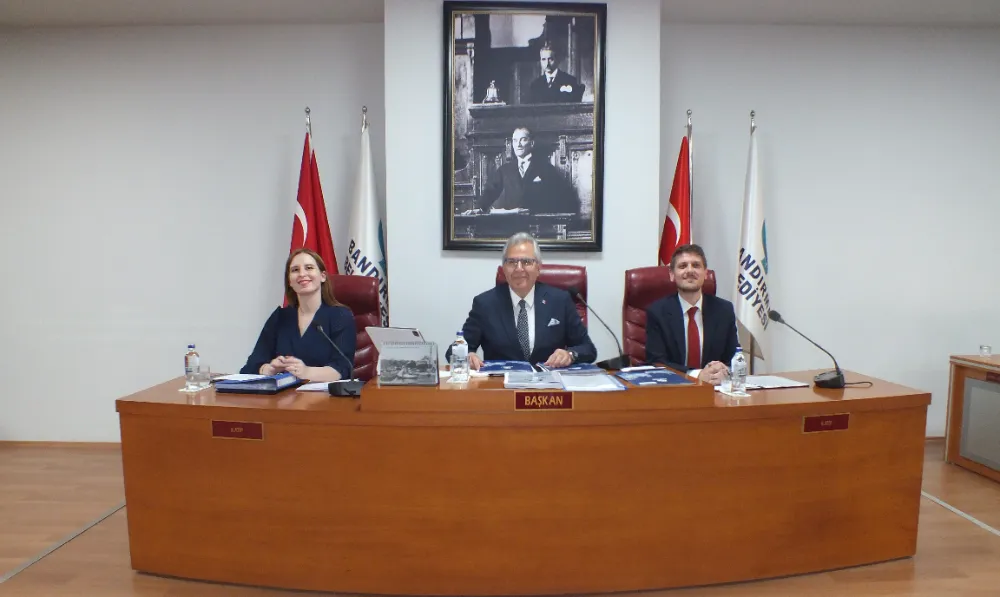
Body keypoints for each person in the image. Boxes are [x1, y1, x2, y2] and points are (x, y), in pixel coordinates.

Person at [452, 232, 596, 369]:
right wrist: (467, 355)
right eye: (512, 262)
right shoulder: (485, 304)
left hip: (549, 383)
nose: (519, 269)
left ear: (538, 267)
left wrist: (570, 355)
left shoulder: (560, 301)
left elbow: (588, 349)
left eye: (526, 262)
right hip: (501, 383)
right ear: (504, 268)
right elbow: (455, 349)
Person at [240, 248, 356, 382]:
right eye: (295, 270)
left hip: (324, 394)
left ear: (323, 276)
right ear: (290, 281)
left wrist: (306, 372)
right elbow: (251, 366)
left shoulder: (341, 316)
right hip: (283, 394)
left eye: (309, 268)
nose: (302, 274)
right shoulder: (280, 317)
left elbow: (343, 368)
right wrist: (269, 369)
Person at [644, 244, 739, 384]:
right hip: (674, 389)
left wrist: (725, 372)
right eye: (683, 266)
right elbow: (656, 362)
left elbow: (734, 357)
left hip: (716, 389)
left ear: (705, 273)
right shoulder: (657, 312)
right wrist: (697, 375)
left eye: (696, 265)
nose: (690, 270)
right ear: (672, 275)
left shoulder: (724, 310)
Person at [478, 126, 578, 215]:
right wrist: (480, 208)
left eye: (523, 140)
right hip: (512, 223)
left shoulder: (546, 168)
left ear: (532, 143)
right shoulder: (504, 170)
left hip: (538, 224)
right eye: (515, 140)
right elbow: (490, 191)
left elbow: (558, 196)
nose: (518, 145)